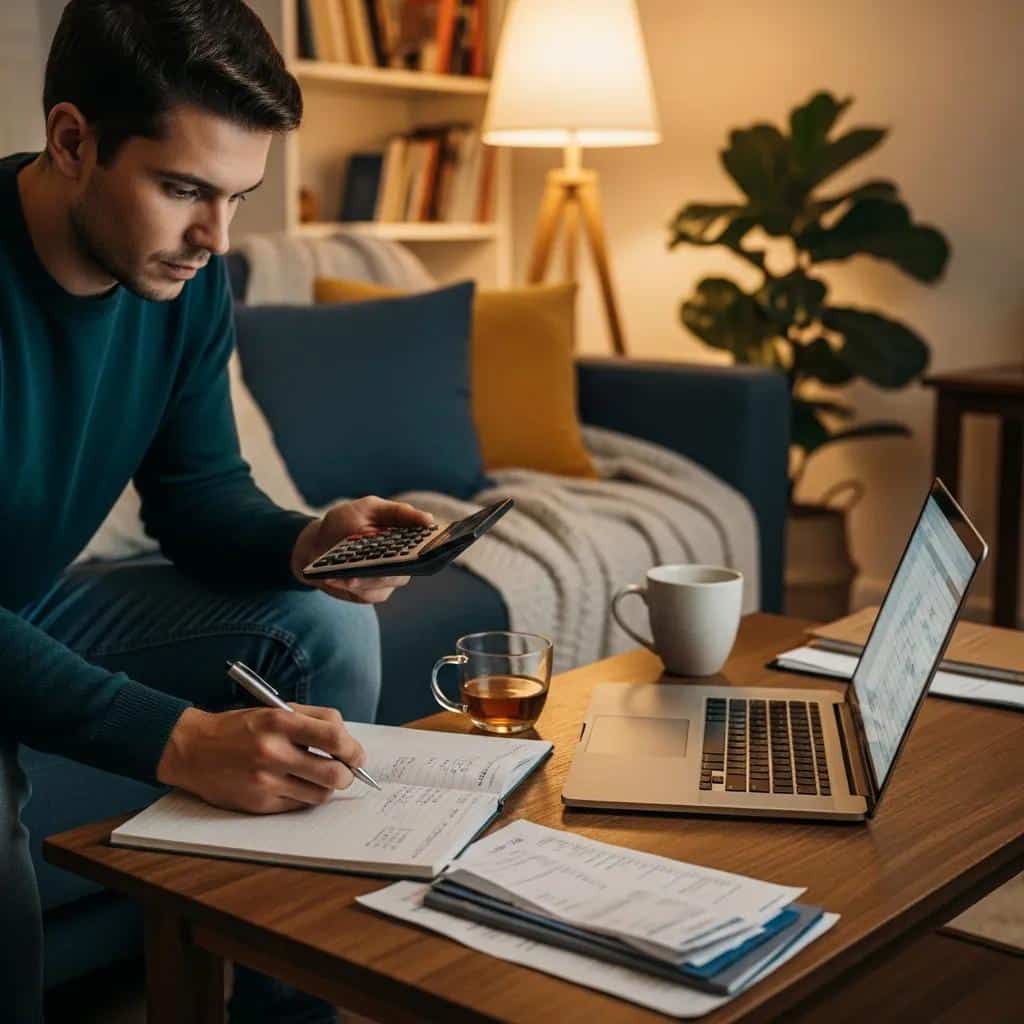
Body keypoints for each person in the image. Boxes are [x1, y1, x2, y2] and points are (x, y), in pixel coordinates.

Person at [0, 2, 434, 1021]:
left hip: (31, 607)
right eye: (184, 188)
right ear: (73, 140)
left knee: (327, 620)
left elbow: (196, 500)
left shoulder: (183, 282)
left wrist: (303, 541)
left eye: (238, 196)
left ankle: (290, 1007)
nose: (215, 237)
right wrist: (180, 739)